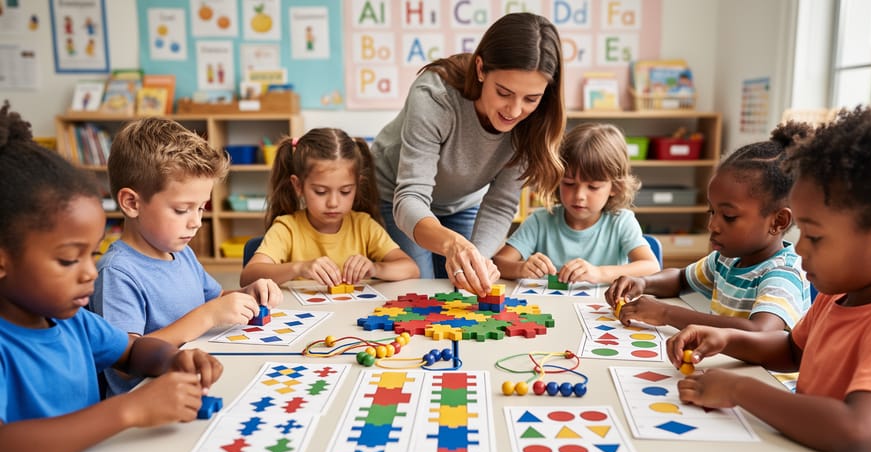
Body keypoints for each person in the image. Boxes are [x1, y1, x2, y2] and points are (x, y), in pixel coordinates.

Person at [667, 105, 871, 452]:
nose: (801, 249)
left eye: (815, 236)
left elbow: (857, 433)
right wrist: (725, 338)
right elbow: (793, 350)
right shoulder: (837, 295)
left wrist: (740, 389)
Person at [0, 101, 223, 452]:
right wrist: (128, 410)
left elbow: (131, 352)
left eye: (92, 252)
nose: (90, 271)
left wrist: (174, 359)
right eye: (69, 259)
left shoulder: (71, 319)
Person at [370, 12, 566, 296]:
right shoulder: (435, 96)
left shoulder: (534, 123)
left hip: (460, 202)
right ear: (481, 69)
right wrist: (452, 245)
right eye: (503, 92)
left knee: (469, 285)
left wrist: (479, 259)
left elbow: (500, 205)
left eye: (531, 99)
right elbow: (410, 197)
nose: (514, 111)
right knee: (420, 290)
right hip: (397, 195)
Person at [89, 117, 282, 396]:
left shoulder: (181, 253)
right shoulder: (118, 272)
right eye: (182, 210)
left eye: (201, 208)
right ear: (132, 203)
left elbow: (213, 301)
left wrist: (245, 294)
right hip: (147, 403)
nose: (196, 222)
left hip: (194, 382)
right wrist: (206, 317)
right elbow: (123, 362)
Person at [605, 122, 813, 331]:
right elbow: (680, 279)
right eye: (711, 211)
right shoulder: (726, 260)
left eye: (729, 216)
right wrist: (642, 283)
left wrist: (666, 313)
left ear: (778, 222)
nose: (712, 225)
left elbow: (760, 331)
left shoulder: (783, 273)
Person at [240, 128, 419, 287]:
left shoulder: (364, 225)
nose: (333, 202)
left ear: (357, 186)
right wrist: (298, 268)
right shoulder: (287, 228)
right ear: (298, 186)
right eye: (320, 191)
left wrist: (375, 268)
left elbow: (411, 269)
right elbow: (248, 277)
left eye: (345, 191)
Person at [494, 123, 660, 283]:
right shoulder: (539, 221)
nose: (579, 195)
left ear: (615, 187)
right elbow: (498, 262)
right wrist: (520, 268)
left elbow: (652, 267)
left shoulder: (621, 222)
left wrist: (600, 273)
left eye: (593, 187)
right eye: (569, 183)